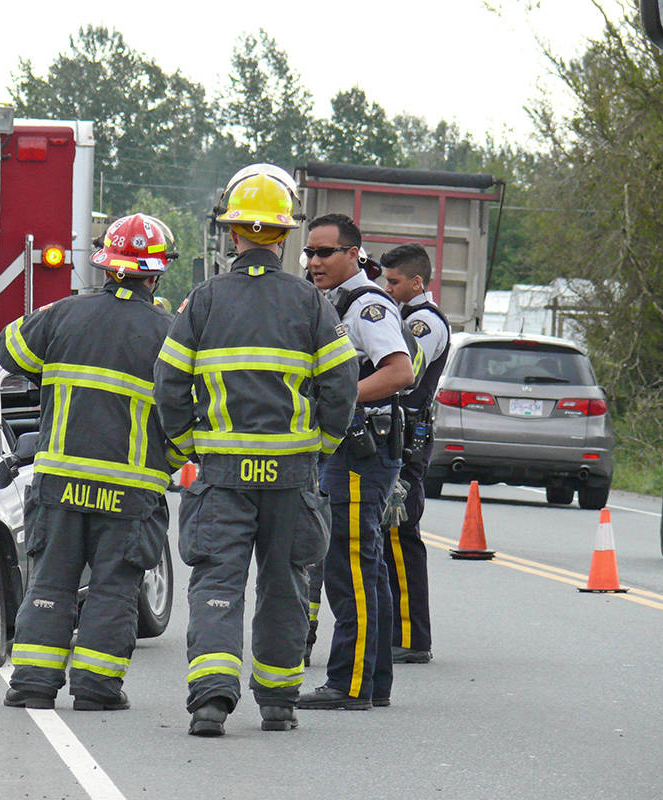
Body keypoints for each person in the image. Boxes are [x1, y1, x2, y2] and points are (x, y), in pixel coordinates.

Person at [153, 166, 359, 736]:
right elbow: (341, 385)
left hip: (220, 474)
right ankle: (277, 700)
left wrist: (187, 445)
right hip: (292, 475)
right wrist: (322, 444)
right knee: (285, 584)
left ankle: (212, 701)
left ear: (233, 233)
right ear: (285, 236)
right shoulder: (312, 303)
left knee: (218, 582)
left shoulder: (203, 300)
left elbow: (167, 381)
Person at [0, 213, 183, 712]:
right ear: (156, 272)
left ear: (105, 265)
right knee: (113, 589)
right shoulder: (170, 332)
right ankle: (97, 690)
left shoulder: (61, 315)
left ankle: (33, 685)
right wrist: (170, 460)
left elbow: (9, 351)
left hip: (61, 482)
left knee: (51, 581)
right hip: (130, 491)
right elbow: (189, 414)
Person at [297, 212, 415, 711]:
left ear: (353, 254)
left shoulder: (367, 306)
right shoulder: (334, 301)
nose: (314, 260)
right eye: (310, 252)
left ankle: (348, 684)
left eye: (325, 252)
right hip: (351, 449)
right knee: (365, 568)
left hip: (360, 450)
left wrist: (337, 401)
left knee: (348, 567)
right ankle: (376, 682)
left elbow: (400, 372)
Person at [380, 243, 450, 665]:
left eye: (393, 281)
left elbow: (409, 372)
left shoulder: (423, 322)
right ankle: (397, 630)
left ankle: (411, 637)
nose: (386, 289)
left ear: (417, 282)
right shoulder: (403, 316)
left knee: (401, 536)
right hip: (396, 436)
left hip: (409, 441)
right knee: (387, 539)